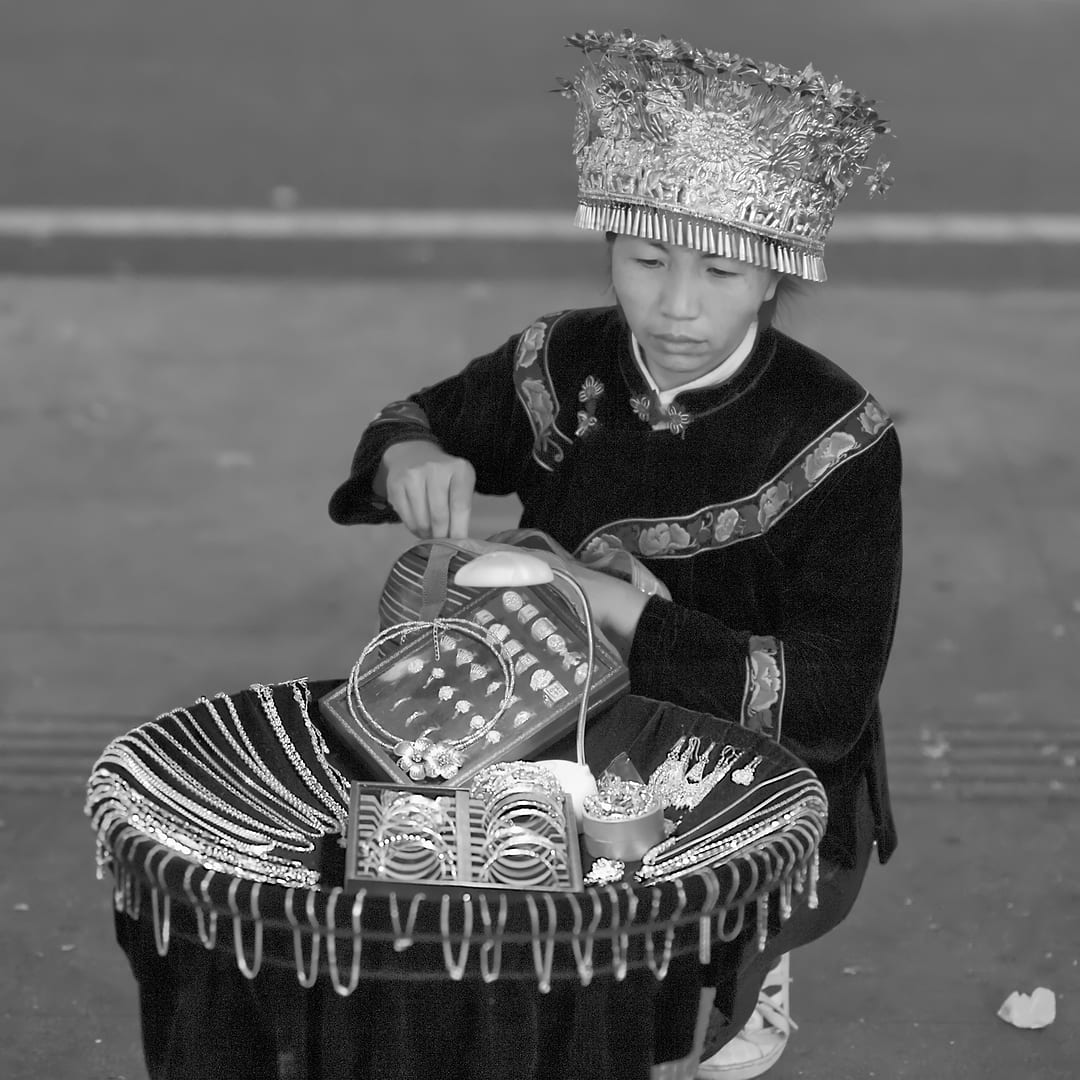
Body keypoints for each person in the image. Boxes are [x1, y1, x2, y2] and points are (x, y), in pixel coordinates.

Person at [330, 29, 900, 1080]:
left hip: (728, 758)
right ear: (611, 253)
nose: (677, 307)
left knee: (676, 1005)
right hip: (539, 719)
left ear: (774, 276)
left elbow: (825, 695)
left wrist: (608, 601)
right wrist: (411, 456)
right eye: (645, 261)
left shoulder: (838, 440)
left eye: (722, 270)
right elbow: (416, 419)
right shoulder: (561, 361)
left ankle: (747, 960)